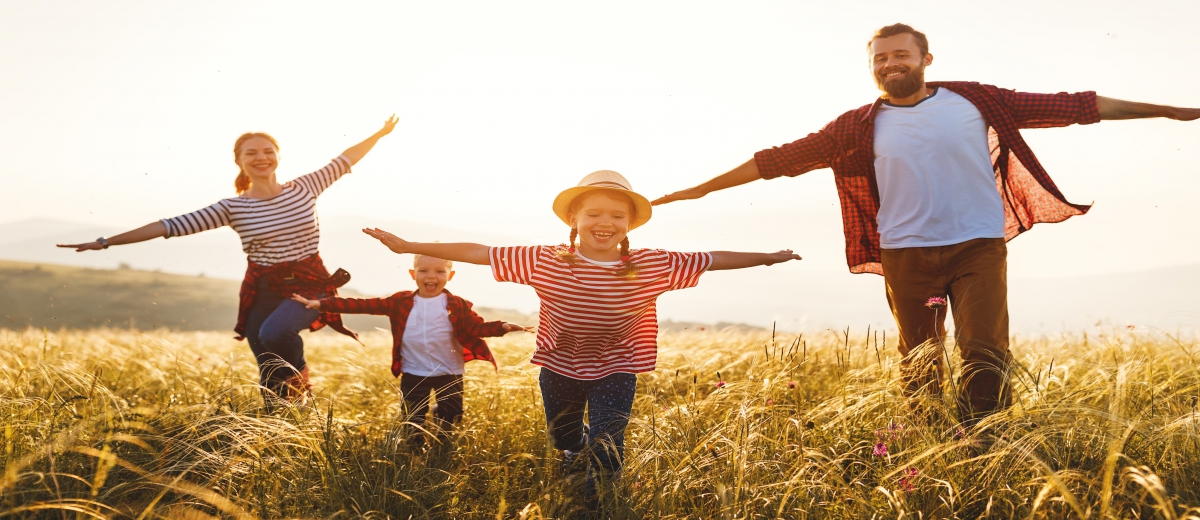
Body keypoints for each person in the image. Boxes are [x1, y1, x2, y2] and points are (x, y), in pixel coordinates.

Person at [652, 23, 1200, 429]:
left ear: (924, 58)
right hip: (905, 253)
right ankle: (926, 440)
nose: (890, 63)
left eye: (901, 55)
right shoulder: (854, 127)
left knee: (985, 349)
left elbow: (1075, 105)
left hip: (976, 247)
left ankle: (985, 437)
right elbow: (775, 160)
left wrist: (1169, 111)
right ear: (872, 66)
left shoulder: (976, 100)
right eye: (880, 58)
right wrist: (696, 190)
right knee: (919, 360)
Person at [358, 169, 800, 507]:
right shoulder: (546, 260)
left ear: (630, 224)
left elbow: (712, 258)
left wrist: (767, 258)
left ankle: (594, 506)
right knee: (566, 437)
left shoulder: (651, 264)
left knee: (609, 444)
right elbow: (479, 252)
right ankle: (575, 453)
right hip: (559, 367)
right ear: (574, 218)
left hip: (618, 367)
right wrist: (407, 245)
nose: (604, 223)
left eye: (616, 216)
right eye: (594, 214)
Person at [58, 115, 400, 406]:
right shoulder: (232, 207)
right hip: (262, 288)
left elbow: (344, 160)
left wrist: (380, 134)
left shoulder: (304, 187)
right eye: (251, 153)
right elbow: (169, 226)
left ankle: (301, 389)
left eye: (268, 151)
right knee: (266, 358)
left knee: (277, 332)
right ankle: (279, 420)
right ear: (239, 161)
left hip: (308, 281)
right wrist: (106, 242)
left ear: (278, 156)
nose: (261, 157)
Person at [290, 254, 528, 445]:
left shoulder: (456, 305)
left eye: (439, 271)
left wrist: (503, 326)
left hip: (450, 371)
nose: (430, 276)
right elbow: (362, 304)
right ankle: (415, 449)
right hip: (414, 372)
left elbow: (477, 327)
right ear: (413, 274)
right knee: (412, 420)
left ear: (450, 275)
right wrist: (321, 303)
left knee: (452, 416)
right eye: (423, 271)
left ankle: (441, 438)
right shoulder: (401, 302)